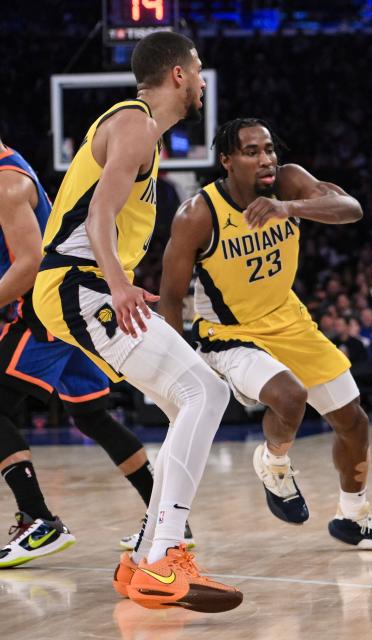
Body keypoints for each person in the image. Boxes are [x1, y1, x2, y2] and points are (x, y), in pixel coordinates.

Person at [31, 32, 241, 611]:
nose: (202, 81)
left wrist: (118, 282)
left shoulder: (142, 131)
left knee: (189, 401)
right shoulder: (133, 123)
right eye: (198, 71)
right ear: (178, 74)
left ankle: (146, 557)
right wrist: (120, 285)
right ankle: (164, 559)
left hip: (84, 285)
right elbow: (98, 213)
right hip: (78, 284)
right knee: (206, 390)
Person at [159, 118, 372, 549]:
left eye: (269, 149)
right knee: (291, 397)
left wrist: (289, 208)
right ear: (227, 161)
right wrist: (177, 369)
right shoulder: (198, 214)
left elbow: (352, 208)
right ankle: (273, 462)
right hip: (228, 332)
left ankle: (354, 516)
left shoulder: (288, 183)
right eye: (252, 152)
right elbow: (171, 296)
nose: (266, 158)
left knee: (354, 422)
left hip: (289, 319)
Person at [0, 139, 193, 568]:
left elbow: (29, 263)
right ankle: (167, 518)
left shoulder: (6, 183)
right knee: (91, 415)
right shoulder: (13, 168)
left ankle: (39, 520)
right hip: (72, 307)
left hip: (46, 311)